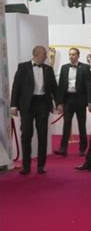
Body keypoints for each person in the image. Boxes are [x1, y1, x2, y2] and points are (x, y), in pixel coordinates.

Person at [10, 46, 58, 174]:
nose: (46, 57)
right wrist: (13, 106)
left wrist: (59, 103)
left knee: (43, 135)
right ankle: (26, 166)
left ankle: (41, 166)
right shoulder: (23, 67)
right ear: (37, 54)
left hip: (43, 103)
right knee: (26, 135)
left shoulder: (48, 69)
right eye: (44, 54)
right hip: (27, 105)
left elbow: (54, 88)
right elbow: (16, 87)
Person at [55, 48, 91, 157]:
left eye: (73, 54)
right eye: (70, 54)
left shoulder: (85, 68)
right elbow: (61, 86)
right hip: (68, 99)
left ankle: (82, 148)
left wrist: (90, 101)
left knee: (82, 125)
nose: (71, 56)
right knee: (66, 124)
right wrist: (59, 102)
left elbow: (89, 86)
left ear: (78, 55)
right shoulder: (64, 68)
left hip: (80, 99)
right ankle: (63, 148)